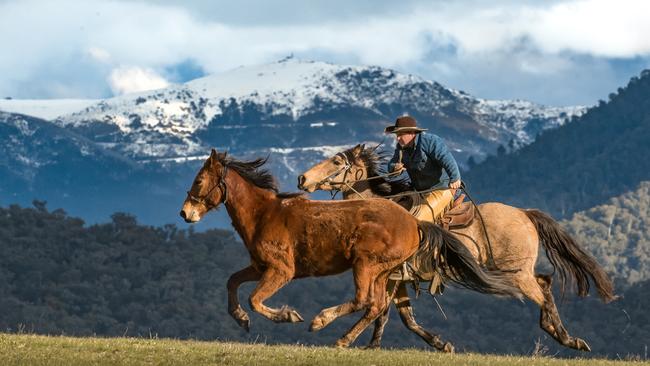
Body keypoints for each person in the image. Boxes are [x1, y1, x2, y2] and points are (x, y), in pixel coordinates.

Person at [385, 115, 461, 223]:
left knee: (417, 222)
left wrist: (455, 179)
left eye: (400, 134)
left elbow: (447, 159)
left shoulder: (430, 141)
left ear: (411, 133)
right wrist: (394, 167)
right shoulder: (401, 148)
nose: (397, 138)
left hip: (442, 189)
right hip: (419, 192)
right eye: (397, 135)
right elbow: (392, 164)